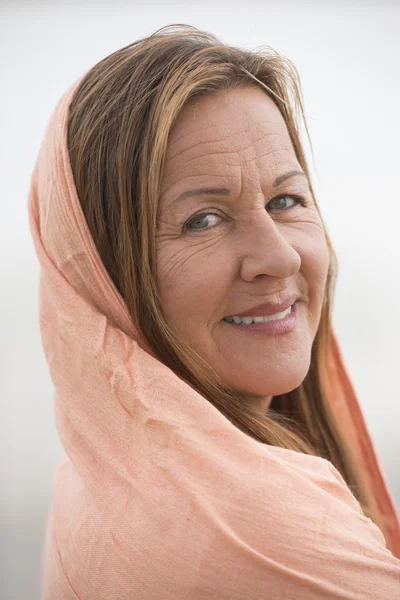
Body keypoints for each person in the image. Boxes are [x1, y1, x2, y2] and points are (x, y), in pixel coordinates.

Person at [28, 24, 400, 599]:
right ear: (104, 276)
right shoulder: (259, 531)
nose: (278, 255)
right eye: (204, 219)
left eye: (285, 200)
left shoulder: (96, 469)